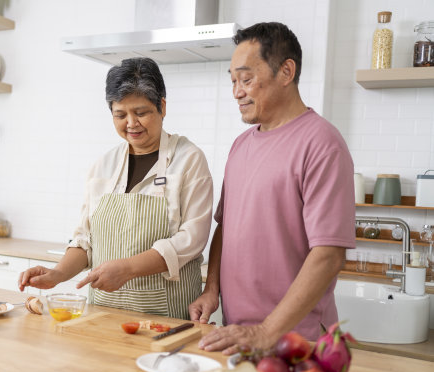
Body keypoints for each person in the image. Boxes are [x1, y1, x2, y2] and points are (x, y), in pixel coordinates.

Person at [189, 22, 355, 354]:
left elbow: (329, 255)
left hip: (296, 339)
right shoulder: (240, 145)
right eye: (233, 81)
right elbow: (226, 226)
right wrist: (212, 289)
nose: (237, 91)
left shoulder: (322, 143)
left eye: (246, 79)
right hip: (239, 334)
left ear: (286, 72)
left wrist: (266, 331)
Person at [18, 57, 213, 320]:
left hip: (164, 315)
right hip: (102, 313)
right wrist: (57, 274)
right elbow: (85, 240)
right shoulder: (104, 166)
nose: (131, 123)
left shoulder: (188, 159)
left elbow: (191, 240)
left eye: (141, 112)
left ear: (162, 107)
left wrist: (129, 268)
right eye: (120, 115)